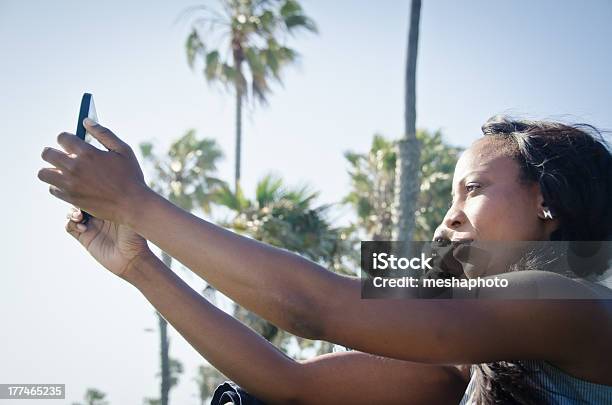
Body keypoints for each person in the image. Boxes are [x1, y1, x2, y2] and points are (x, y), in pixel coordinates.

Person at [38, 115, 612, 404]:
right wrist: (141, 266)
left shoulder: (571, 300)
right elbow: (287, 384)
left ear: (547, 201)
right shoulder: (471, 355)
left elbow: (318, 304)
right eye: (447, 198)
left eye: (473, 190)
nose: (448, 218)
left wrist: (136, 203)